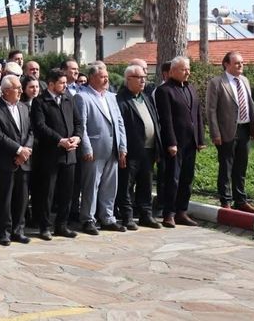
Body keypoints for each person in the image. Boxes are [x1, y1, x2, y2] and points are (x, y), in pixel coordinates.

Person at [75, 63, 127, 235]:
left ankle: (108, 217)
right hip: (94, 149)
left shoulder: (112, 96)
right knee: (91, 186)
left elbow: (119, 122)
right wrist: (86, 148)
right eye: (102, 76)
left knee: (110, 185)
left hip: (112, 148)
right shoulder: (83, 97)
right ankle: (88, 219)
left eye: (107, 76)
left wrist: (122, 146)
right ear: (92, 77)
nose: (107, 79)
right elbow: (81, 125)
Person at [155, 56, 206, 228]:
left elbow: (198, 115)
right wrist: (171, 142)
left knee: (187, 178)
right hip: (175, 143)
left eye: (189, 69)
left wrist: (200, 139)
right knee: (173, 178)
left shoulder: (191, 88)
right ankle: (168, 213)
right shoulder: (165, 90)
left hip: (190, 142)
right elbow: (166, 119)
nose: (188, 72)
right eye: (184, 69)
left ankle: (182, 211)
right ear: (172, 71)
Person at [206, 51, 254, 213]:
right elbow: (211, 110)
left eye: (242, 62)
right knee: (226, 167)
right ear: (226, 64)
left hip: (244, 129)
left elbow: (251, 105)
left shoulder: (244, 81)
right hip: (226, 132)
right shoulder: (216, 83)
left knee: (241, 167)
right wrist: (215, 133)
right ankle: (226, 201)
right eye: (237, 63)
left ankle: (241, 200)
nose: (240, 65)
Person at [31, 68, 82, 239]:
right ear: (51, 84)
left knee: (67, 192)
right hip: (50, 155)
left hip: (69, 154)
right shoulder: (40, 102)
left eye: (66, 83)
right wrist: (59, 140)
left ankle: (62, 225)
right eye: (61, 83)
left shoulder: (69, 99)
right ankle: (44, 226)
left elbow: (78, 122)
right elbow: (40, 126)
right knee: (47, 193)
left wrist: (77, 137)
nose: (65, 86)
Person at [0, 75, 34, 244]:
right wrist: (18, 150)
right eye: (17, 88)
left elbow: (30, 131)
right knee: (4, 198)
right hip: (6, 161)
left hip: (24, 161)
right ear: (6, 91)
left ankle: (18, 230)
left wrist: (26, 151)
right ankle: (3, 231)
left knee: (22, 198)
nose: (21, 91)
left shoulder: (24, 107)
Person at [116, 64, 163, 230]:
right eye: (139, 77)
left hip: (149, 150)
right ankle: (127, 217)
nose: (144, 80)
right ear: (129, 79)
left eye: (144, 77)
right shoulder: (120, 99)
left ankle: (145, 215)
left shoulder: (145, 97)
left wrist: (158, 147)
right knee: (127, 185)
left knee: (146, 184)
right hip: (131, 150)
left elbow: (155, 122)